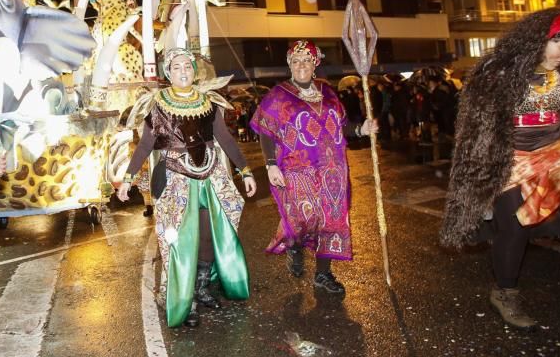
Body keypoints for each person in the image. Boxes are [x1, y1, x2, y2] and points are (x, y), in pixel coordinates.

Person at [441, 9, 560, 330]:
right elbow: (478, 128)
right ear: (540, 41)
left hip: (555, 149)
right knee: (514, 225)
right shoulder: (499, 74)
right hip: (512, 154)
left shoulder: (558, 74)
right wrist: (480, 178)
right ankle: (505, 292)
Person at [118, 47, 257, 328]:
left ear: (194, 70)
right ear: (168, 73)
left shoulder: (209, 101)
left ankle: (201, 286)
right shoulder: (155, 103)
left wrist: (245, 171)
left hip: (211, 175)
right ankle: (185, 298)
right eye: (177, 66)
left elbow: (226, 140)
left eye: (188, 66)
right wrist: (128, 178)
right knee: (181, 238)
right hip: (175, 178)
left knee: (208, 233)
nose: (184, 71)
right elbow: (145, 145)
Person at [251, 40, 377, 295]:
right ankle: (295, 246)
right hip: (297, 170)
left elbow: (341, 125)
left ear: (315, 64)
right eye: (296, 61)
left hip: (333, 170)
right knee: (302, 220)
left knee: (331, 221)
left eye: (306, 60)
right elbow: (266, 131)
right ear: (289, 64)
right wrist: (270, 165)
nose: (301, 65)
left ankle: (323, 274)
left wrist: (362, 129)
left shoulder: (327, 92)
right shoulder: (279, 95)